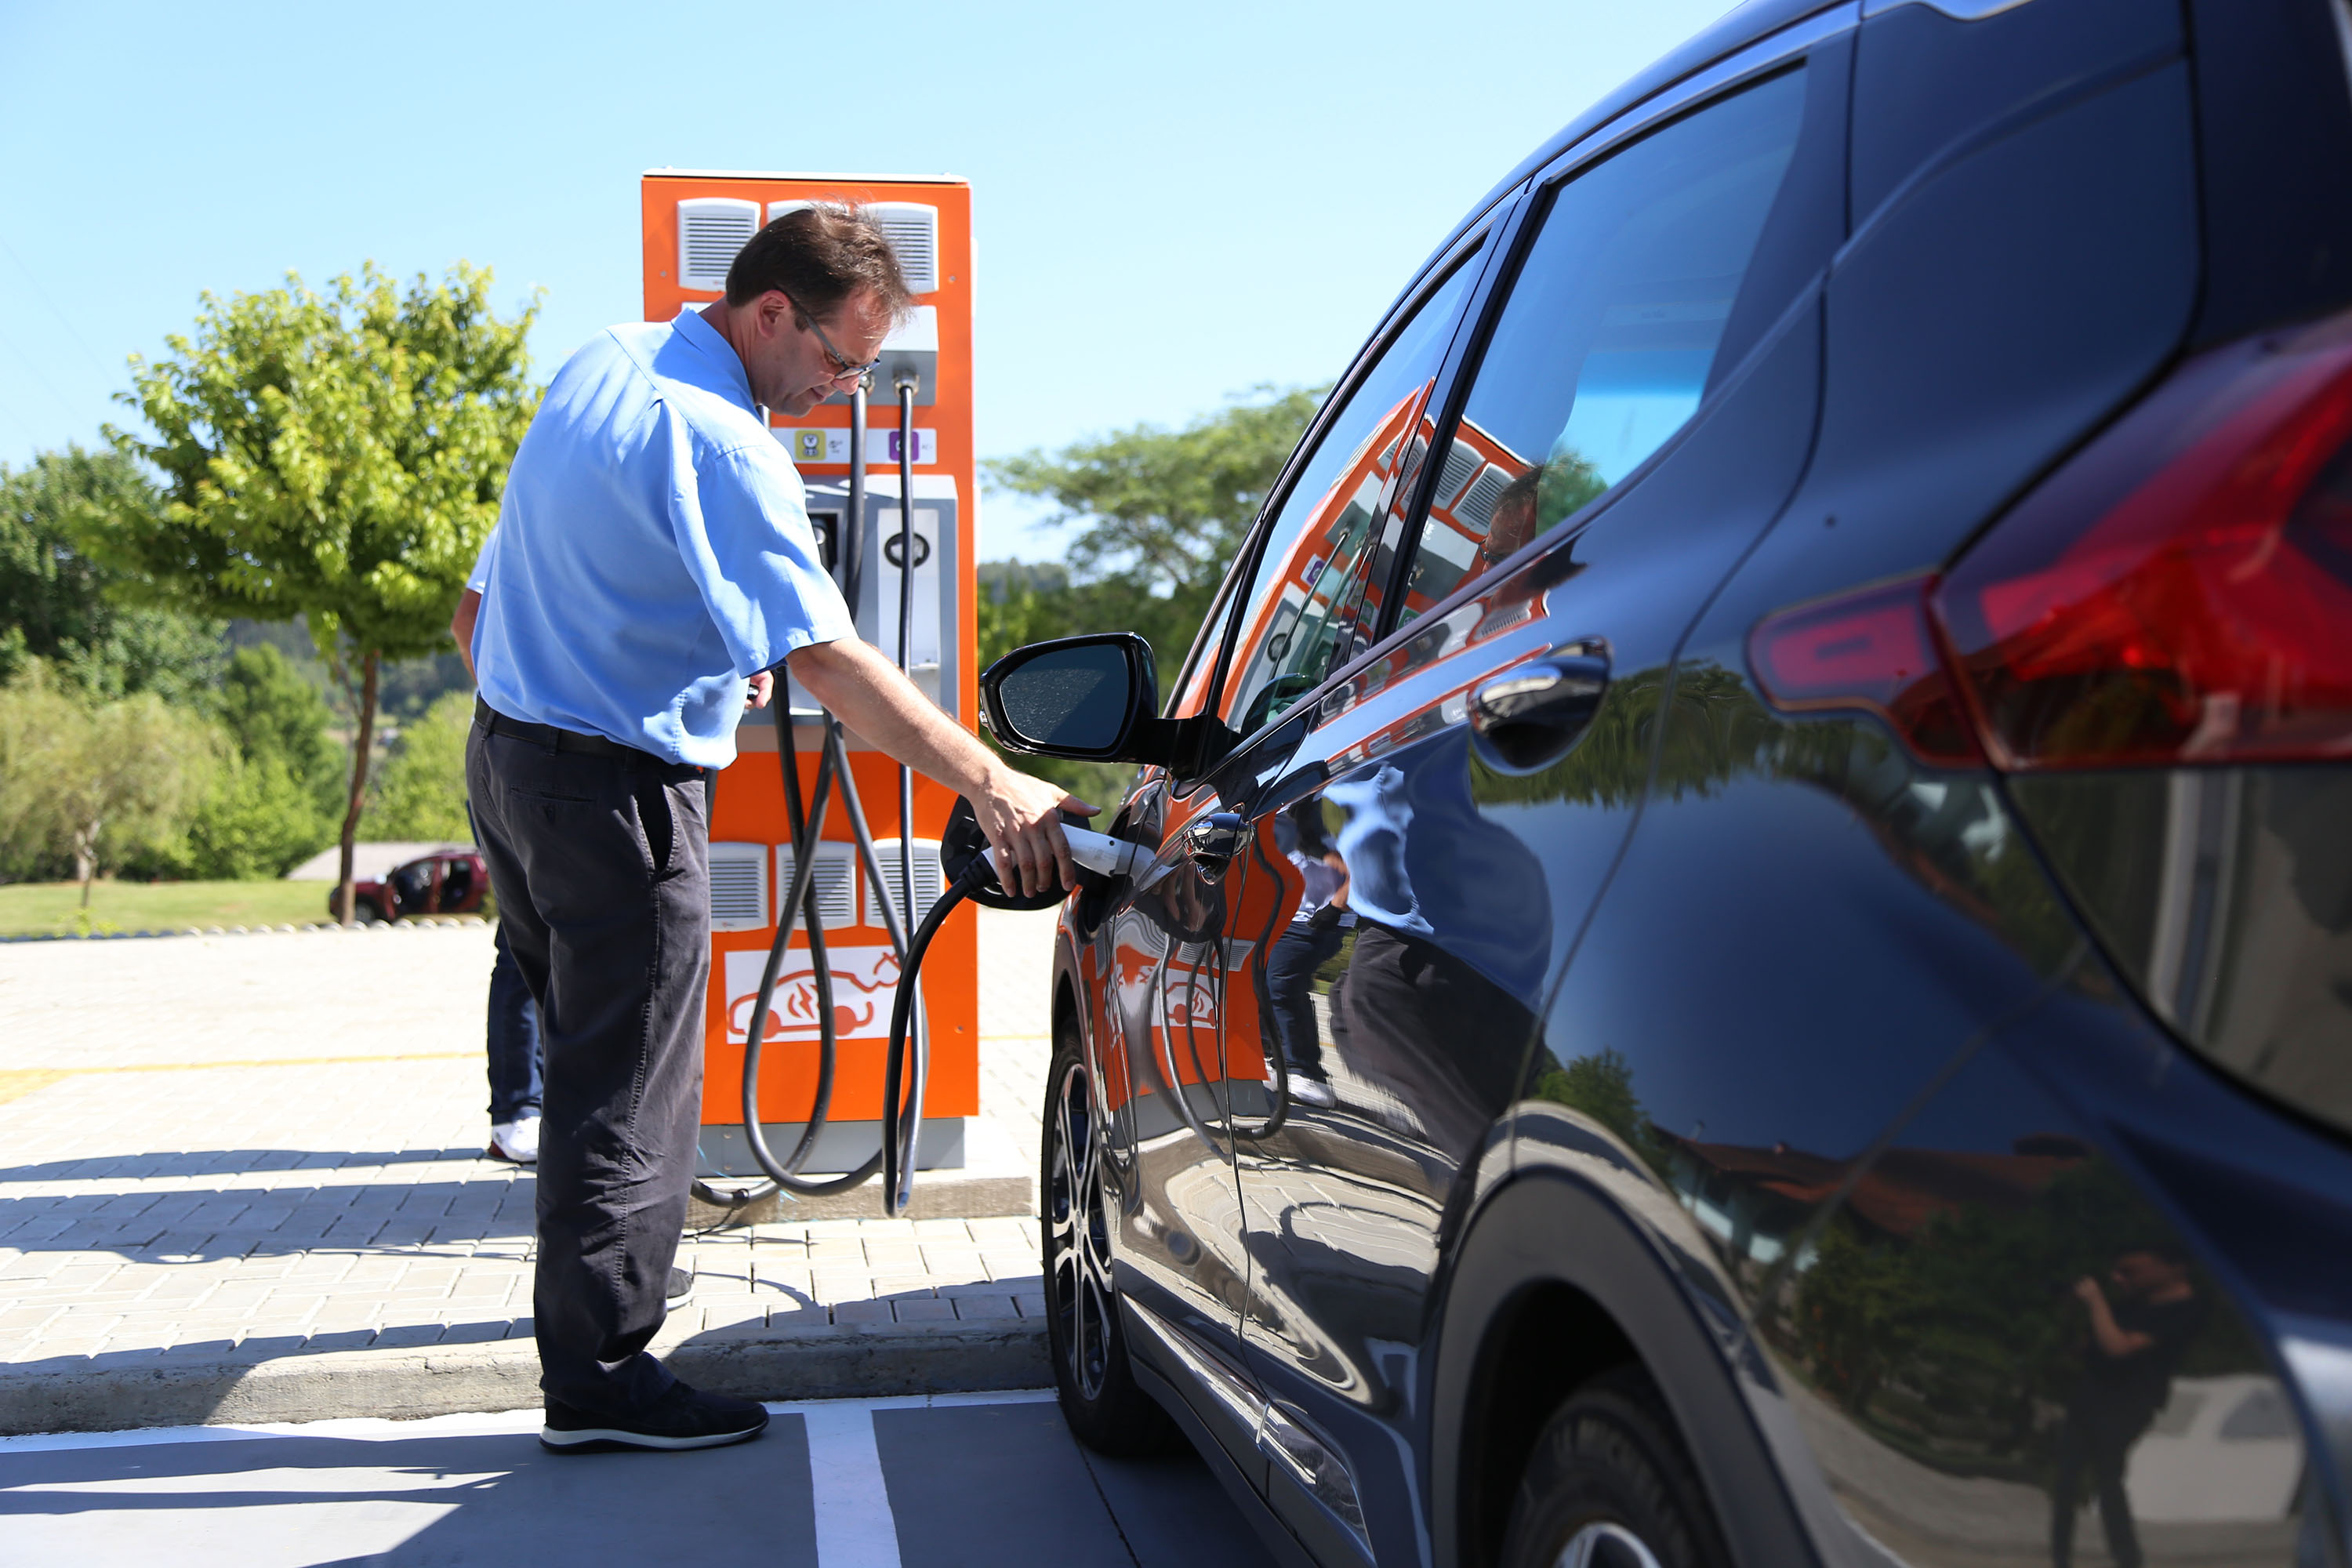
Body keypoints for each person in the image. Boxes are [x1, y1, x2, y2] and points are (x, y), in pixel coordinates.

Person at [449, 205, 1087, 1456]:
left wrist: (666, 664)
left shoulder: (607, 360)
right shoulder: (726, 443)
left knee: (586, 1071)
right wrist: (992, 782)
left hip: (511, 761)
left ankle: (596, 1305)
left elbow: (485, 606)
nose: (841, 393)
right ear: (771, 311)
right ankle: (601, 1378)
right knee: (631, 1092)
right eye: (840, 361)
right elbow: (837, 665)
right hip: (617, 798)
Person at [2049, 1244, 2206, 1568]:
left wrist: (2095, 1300)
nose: (2121, 1278)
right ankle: (2060, 1559)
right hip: (2090, 1395)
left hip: (2130, 1401)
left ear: (2174, 1267)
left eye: (2132, 1270)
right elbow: (2085, 1347)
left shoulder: (2188, 1308)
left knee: (2108, 1482)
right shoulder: (2130, 1303)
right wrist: (2073, 1319)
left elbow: (2119, 1347)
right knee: (2065, 1483)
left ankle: (2128, 1560)